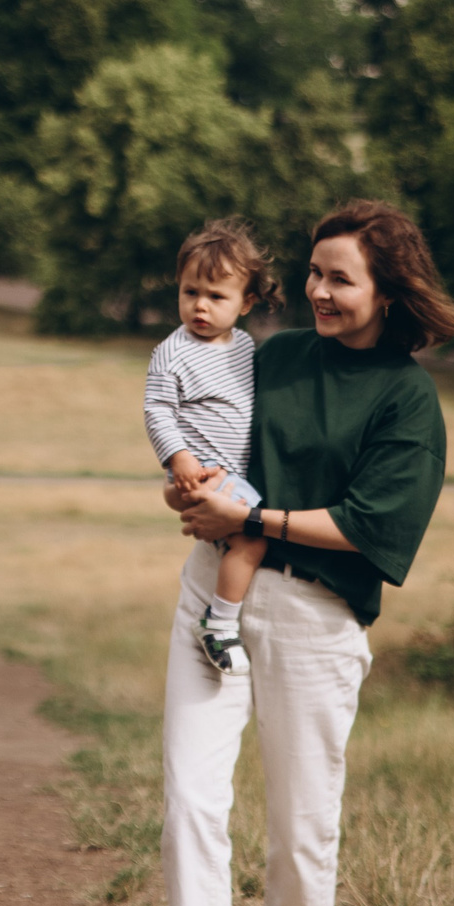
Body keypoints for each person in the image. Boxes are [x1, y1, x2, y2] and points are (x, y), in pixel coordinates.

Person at [130, 200, 454, 906]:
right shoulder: (270, 357)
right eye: (314, 274)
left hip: (315, 613)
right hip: (216, 593)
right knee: (191, 790)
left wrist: (257, 521)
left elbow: (369, 525)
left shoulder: (408, 401)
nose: (318, 291)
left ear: (387, 292)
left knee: (302, 806)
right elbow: (214, 448)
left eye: (340, 279)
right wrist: (191, 492)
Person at [144, 220, 284, 678]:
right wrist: (178, 459)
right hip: (200, 470)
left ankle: (178, 501)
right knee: (252, 538)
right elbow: (158, 411)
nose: (200, 306)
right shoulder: (173, 351)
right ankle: (220, 624)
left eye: (216, 297)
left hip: (232, 474)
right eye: (190, 292)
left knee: (241, 536)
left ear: (245, 304)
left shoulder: (244, 345)